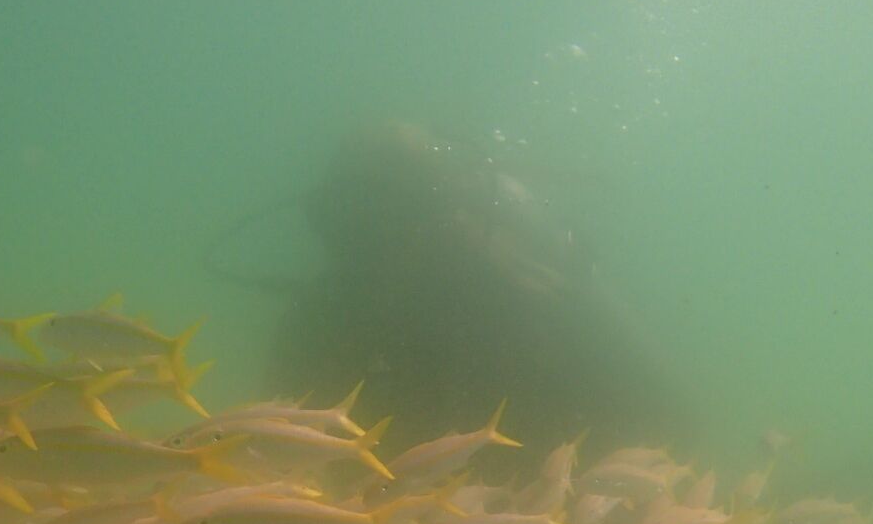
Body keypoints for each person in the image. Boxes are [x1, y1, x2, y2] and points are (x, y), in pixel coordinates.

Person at [218, 122, 683, 461]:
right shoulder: (322, 316)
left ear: (438, 215)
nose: (369, 242)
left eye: (387, 217)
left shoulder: (523, 296)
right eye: (349, 220)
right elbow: (274, 451)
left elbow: (661, 424)